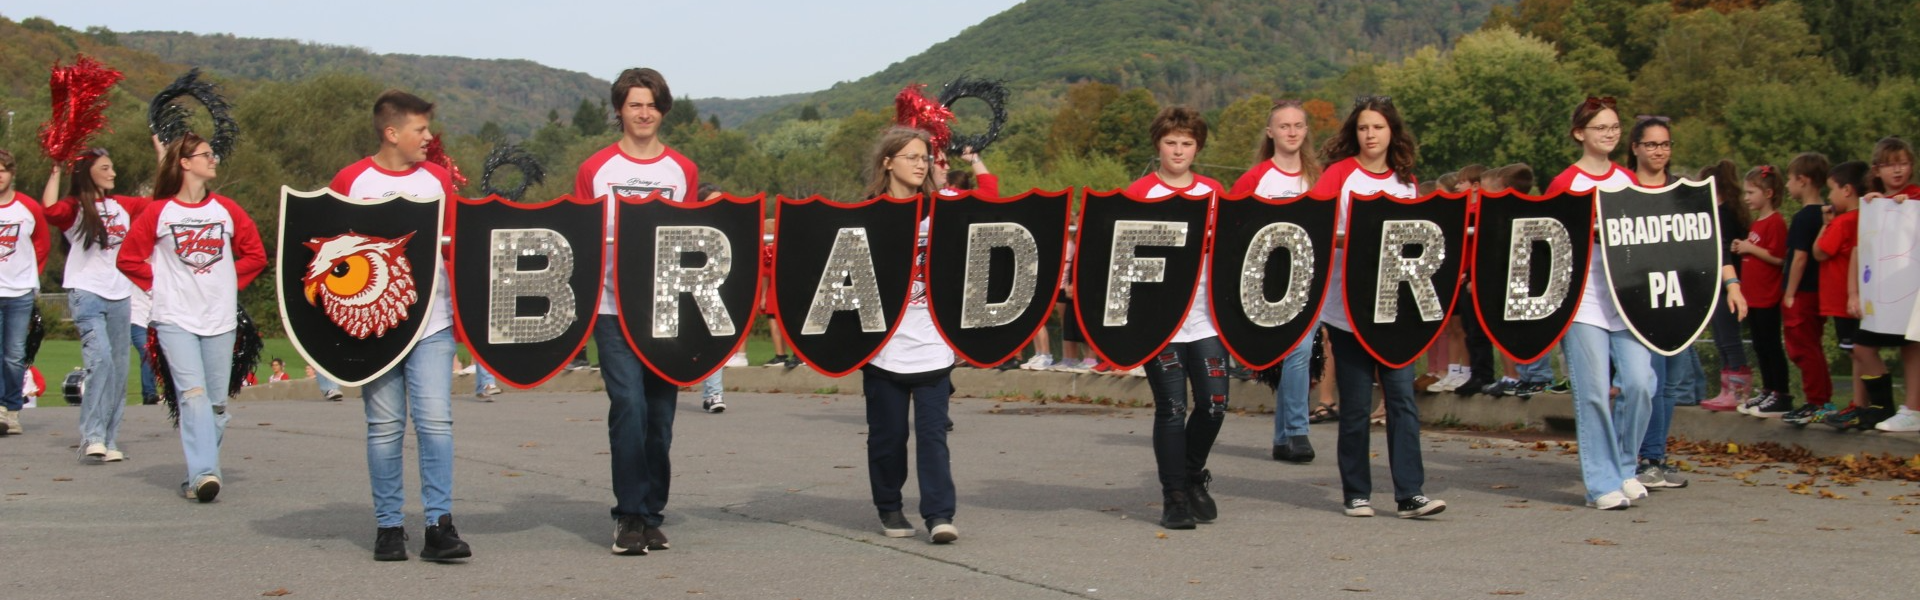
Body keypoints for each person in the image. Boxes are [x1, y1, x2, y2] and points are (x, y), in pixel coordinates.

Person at [1553, 97, 1739, 510]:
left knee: (1642, 384)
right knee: (1596, 392)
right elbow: (1555, 245)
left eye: (1614, 127)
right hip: (1584, 302)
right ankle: (1601, 483)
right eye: (1600, 127)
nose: (1609, 133)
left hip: (1630, 300)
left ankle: (1624, 465)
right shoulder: (1566, 182)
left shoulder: (1626, 179)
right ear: (1579, 133)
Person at [328, 90, 472, 561]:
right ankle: (389, 526)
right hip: (375, 327)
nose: (429, 138)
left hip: (432, 321)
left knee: (435, 422)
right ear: (392, 133)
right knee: (385, 426)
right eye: (420, 130)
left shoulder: (437, 179)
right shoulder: (352, 180)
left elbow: (455, 244)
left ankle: (439, 524)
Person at [575, 68, 698, 555]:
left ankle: (651, 513)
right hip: (611, 307)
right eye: (634, 105)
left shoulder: (682, 171)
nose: (643, 113)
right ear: (620, 111)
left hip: (665, 308)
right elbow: (584, 239)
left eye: (651, 104)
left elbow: (690, 240)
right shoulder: (595, 169)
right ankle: (628, 515)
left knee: (661, 417)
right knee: (628, 406)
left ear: (662, 110)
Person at [1309, 96, 1446, 519]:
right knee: (1354, 404)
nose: (1370, 135)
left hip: (1395, 311)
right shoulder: (1339, 175)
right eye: (1364, 128)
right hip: (1347, 309)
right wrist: (1353, 240)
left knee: (1402, 398)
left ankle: (1410, 493)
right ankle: (1356, 492)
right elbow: (1313, 227)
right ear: (1355, 133)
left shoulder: (1405, 181)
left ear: (1392, 133)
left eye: (1378, 128)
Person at [116, 132, 268, 503]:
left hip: (219, 319)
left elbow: (255, 255)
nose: (213, 159)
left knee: (216, 404)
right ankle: (205, 473)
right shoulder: (158, 212)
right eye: (206, 154)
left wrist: (228, 284)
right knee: (193, 396)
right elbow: (128, 259)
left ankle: (196, 475)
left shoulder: (227, 210)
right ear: (185, 163)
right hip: (174, 318)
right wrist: (162, 285)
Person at [1119, 106, 1232, 528]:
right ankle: (1175, 498)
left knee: (1215, 403)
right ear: (1158, 145)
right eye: (1171, 142)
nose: (1179, 150)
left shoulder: (1215, 190)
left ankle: (1191, 472)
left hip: (1206, 316)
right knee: (1171, 406)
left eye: (1187, 143)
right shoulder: (1140, 192)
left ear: (1197, 146)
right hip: (1158, 319)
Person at [860, 125, 961, 543]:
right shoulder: (865, 216)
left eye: (925, 157)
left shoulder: (943, 215)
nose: (921, 164)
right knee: (889, 438)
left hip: (935, 348)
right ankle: (889, 507)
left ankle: (939, 514)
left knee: (934, 435)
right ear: (888, 162)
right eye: (911, 157)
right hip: (883, 350)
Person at [1228, 99, 1319, 463]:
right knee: (1290, 353)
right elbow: (1233, 227)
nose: (1292, 132)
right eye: (1284, 126)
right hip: (1266, 280)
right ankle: (1288, 434)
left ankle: (1294, 433)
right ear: (1271, 132)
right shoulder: (1255, 179)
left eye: (1298, 125)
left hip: (1308, 276)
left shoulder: (1318, 177)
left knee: (1299, 349)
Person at [40, 147, 149, 452]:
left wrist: (162, 155)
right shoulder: (75, 207)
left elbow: (160, 201)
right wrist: (56, 168)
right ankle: (93, 436)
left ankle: (110, 439)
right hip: (86, 293)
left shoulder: (123, 206)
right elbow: (49, 210)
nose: (112, 173)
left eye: (112, 167)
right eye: (105, 168)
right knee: (99, 360)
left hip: (120, 295)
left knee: (117, 368)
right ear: (88, 172)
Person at [1836, 138, 1920, 431]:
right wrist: (1853, 292)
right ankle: (1883, 406)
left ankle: (1913, 410)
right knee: (1862, 347)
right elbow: (1861, 251)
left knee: (1912, 348)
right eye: (1890, 164)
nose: (1898, 170)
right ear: (1877, 169)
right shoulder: (1871, 204)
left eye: (1903, 163)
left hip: (1909, 292)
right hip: (1879, 294)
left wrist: (1906, 207)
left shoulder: (1915, 195)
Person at [1628, 117, 1695, 489]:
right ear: (1635, 147)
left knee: (1670, 382)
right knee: (1647, 381)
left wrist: (1731, 283)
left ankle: (1656, 455)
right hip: (1639, 299)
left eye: (1665, 144)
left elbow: (1706, 242)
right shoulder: (1623, 188)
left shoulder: (1684, 191)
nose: (1659, 151)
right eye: (1651, 144)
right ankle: (1640, 457)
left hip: (1680, 296)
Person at [1804, 161, 1875, 428]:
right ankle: (1862, 404)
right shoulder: (1865, 219)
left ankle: (1860, 404)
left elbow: (1819, 251)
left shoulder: (1844, 221)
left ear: (1846, 190)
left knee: (1856, 352)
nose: (1829, 197)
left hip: (1841, 298)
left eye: (1832, 189)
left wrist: (1825, 225)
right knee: (1859, 351)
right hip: (1856, 297)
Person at [1776, 153, 1833, 424]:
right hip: (1818, 291)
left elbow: (1799, 257)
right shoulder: (1825, 216)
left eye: (1790, 179)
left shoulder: (1803, 218)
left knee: (1802, 347)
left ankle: (1817, 401)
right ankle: (1819, 398)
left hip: (1801, 293)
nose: (1787, 186)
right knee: (1812, 345)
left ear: (1803, 180)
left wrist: (1789, 293)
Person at [1732, 165, 1793, 417]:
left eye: (1751, 192)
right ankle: (1768, 389)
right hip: (1753, 297)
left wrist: (1749, 248)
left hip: (1768, 296)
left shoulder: (1775, 222)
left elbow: (1779, 258)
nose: (1746, 198)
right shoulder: (1758, 222)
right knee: (1759, 345)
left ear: (1767, 193)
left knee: (1771, 345)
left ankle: (1782, 393)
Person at [0, 149, 50, 438]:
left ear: (11, 173)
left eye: (3, 171)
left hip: (19, 292)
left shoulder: (28, 207)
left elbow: (41, 243)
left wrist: (30, 275)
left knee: (14, 354)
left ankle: (13, 410)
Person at [1698, 160, 1754, 410]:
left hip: (1727, 285)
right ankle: (1726, 389)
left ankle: (1738, 390)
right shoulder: (1729, 211)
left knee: (1729, 339)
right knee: (1721, 338)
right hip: (1718, 285)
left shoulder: (1723, 214)